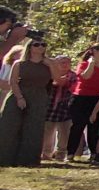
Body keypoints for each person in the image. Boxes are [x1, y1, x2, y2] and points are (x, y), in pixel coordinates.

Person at [0, 36, 63, 167]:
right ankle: (5, 159)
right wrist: (19, 98)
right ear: (30, 47)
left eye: (43, 45)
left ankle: (28, 160)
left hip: (39, 96)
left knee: (33, 128)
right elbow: (13, 81)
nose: (40, 47)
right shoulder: (19, 63)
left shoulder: (49, 64)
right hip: (19, 94)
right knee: (10, 126)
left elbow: (59, 80)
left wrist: (51, 64)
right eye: (36, 44)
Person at [67, 43, 99, 160]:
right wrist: (92, 64)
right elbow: (85, 77)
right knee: (78, 126)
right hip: (81, 98)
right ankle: (71, 153)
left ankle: (94, 153)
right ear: (94, 51)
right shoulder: (84, 64)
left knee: (94, 127)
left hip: (98, 99)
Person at [42, 55, 76, 162]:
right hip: (50, 107)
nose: (64, 64)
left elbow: (65, 83)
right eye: (62, 62)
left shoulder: (73, 76)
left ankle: (61, 155)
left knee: (65, 133)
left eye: (67, 62)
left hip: (65, 108)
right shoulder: (48, 74)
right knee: (47, 132)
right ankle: (46, 153)